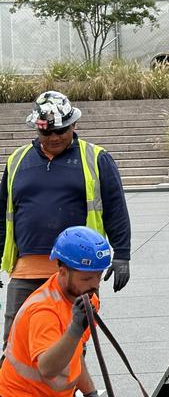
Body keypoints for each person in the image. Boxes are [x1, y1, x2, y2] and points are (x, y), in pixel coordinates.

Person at [0, 90, 131, 347]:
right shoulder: (17, 160)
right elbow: (2, 214)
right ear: (37, 130)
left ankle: (68, 389)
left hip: (75, 271)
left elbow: (116, 208)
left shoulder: (95, 158)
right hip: (25, 272)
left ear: (73, 125)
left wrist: (122, 255)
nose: (54, 137)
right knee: (16, 343)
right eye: (46, 133)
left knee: (69, 343)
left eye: (61, 131)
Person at [0, 226, 109, 397]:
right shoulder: (43, 310)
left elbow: (74, 354)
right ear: (63, 272)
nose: (95, 285)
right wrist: (75, 330)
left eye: (99, 275)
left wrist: (90, 393)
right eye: (87, 278)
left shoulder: (86, 297)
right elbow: (48, 368)